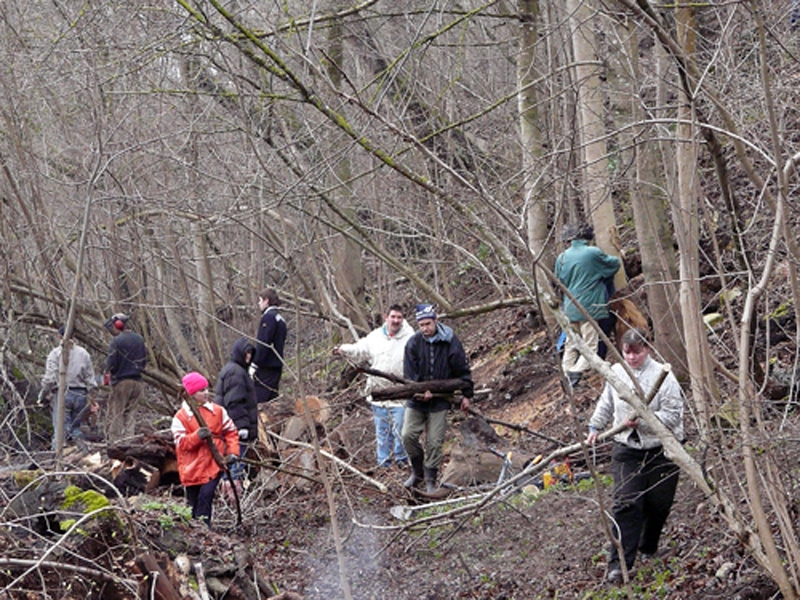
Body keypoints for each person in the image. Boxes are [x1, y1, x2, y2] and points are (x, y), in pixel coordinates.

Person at [586, 328, 684, 584]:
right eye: (627, 353)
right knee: (626, 503)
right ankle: (619, 565)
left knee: (658, 504)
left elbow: (673, 416)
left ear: (647, 349)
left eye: (636, 352)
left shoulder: (664, 376)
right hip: (626, 448)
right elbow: (606, 402)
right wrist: (595, 427)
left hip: (661, 449)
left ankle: (647, 546)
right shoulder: (617, 373)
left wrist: (642, 421)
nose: (631, 358)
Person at [401, 304, 474, 493]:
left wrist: (467, 395)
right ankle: (417, 472)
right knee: (408, 435)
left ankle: (430, 477)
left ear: (436, 320)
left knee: (434, 441)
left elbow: (462, 370)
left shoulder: (450, 341)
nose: (425, 328)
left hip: (441, 399)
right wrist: (420, 390)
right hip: (416, 399)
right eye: (421, 325)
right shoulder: (413, 344)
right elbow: (409, 374)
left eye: (428, 323)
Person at [333, 304, 414, 469]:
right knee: (382, 432)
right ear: (386, 317)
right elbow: (359, 350)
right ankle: (383, 462)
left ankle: (401, 460)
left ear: (403, 319)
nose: (396, 321)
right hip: (378, 392)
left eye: (399, 317)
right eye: (393, 317)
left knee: (401, 430)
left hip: (401, 393)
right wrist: (343, 349)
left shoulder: (410, 338)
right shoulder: (375, 337)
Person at [555, 222, 621, 388]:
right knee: (590, 345)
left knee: (572, 343)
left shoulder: (561, 258)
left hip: (569, 307)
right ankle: (576, 372)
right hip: (590, 306)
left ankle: (565, 373)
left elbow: (558, 280)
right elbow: (613, 265)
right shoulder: (592, 253)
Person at [172, 372, 240, 526]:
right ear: (191, 393)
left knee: (206, 496)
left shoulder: (218, 411)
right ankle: (194, 530)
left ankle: (205, 529)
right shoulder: (181, 417)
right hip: (191, 467)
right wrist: (197, 436)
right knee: (193, 502)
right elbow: (181, 443)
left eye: (206, 389)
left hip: (213, 463)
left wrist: (232, 453)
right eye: (201, 390)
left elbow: (231, 432)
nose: (206, 393)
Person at [40, 325, 98, 453]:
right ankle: (83, 452)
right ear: (74, 336)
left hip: (63, 394)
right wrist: (92, 399)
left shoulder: (55, 354)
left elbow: (49, 379)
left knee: (60, 431)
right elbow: (90, 380)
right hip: (81, 395)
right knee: (75, 428)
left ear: (59, 336)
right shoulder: (84, 354)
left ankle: (55, 460)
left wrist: (42, 396)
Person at [214, 337, 258, 493]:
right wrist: (242, 426)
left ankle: (230, 491)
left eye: (250, 354)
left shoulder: (235, 370)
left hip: (230, 426)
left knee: (233, 461)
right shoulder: (236, 372)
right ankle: (233, 495)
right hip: (235, 428)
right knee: (236, 461)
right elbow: (235, 402)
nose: (248, 357)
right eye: (246, 353)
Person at [103, 313, 147, 443]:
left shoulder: (117, 341)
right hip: (137, 381)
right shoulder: (139, 339)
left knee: (117, 414)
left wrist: (108, 372)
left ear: (117, 325)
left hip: (122, 382)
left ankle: (114, 443)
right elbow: (144, 360)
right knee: (131, 415)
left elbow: (111, 361)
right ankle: (129, 442)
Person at [252, 289, 287, 404]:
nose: (259, 304)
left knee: (260, 400)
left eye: (260, 300)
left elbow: (264, 343)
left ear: (267, 301)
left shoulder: (269, 318)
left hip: (266, 366)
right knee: (273, 400)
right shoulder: (280, 318)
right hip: (277, 364)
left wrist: (255, 364)